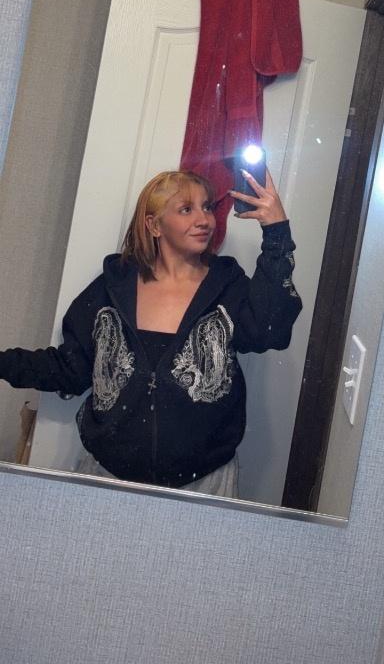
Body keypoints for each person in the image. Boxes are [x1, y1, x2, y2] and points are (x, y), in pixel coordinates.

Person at [0, 168, 302, 496]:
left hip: (205, 483)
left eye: (207, 207)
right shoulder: (111, 290)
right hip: (107, 478)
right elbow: (70, 370)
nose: (204, 219)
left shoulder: (228, 288)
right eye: (186, 209)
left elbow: (270, 331)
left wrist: (276, 233)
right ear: (154, 225)